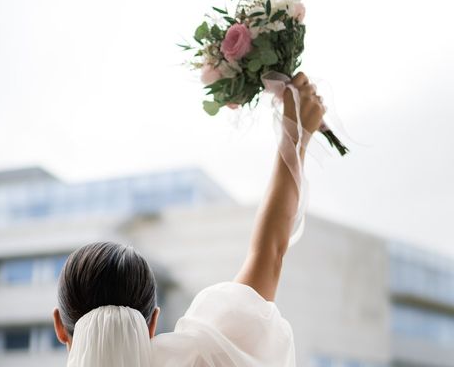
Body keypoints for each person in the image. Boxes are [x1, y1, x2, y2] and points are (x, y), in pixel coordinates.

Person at [52, 72, 326, 367]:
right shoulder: (199, 359)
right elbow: (268, 251)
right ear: (152, 323)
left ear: (59, 326)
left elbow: (269, 254)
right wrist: (295, 132)